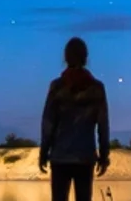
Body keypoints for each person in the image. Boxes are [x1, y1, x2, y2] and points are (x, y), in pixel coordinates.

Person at [39, 36, 110, 201]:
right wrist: (104, 155)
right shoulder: (97, 88)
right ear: (86, 58)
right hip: (85, 156)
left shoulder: (57, 87)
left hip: (60, 157)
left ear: (65, 58)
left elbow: (48, 123)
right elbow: (103, 125)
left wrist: (44, 152)